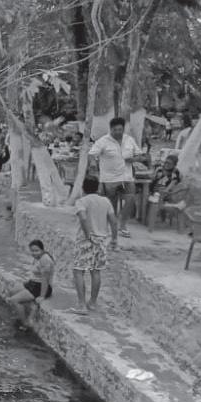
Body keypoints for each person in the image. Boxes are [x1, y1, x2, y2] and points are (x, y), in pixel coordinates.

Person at [89, 116, 141, 236]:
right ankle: (109, 226)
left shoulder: (129, 140)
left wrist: (134, 159)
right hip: (109, 179)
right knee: (110, 204)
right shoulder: (103, 141)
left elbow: (139, 154)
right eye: (115, 130)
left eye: (120, 130)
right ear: (111, 129)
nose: (118, 132)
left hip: (127, 177)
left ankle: (122, 225)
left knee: (130, 200)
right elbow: (91, 154)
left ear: (123, 129)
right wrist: (92, 163)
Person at [72, 175, 117, 313]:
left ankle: (81, 305)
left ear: (83, 188)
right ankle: (92, 302)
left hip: (85, 240)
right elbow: (113, 221)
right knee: (95, 271)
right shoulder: (106, 201)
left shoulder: (81, 201)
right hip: (101, 240)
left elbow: (83, 218)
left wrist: (88, 235)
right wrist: (114, 239)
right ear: (98, 188)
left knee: (78, 271)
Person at [8, 239, 55, 320]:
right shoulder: (38, 257)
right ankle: (23, 312)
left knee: (14, 300)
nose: (34, 253)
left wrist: (42, 296)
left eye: (36, 250)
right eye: (32, 251)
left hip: (40, 287)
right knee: (12, 291)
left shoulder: (45, 260)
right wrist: (28, 281)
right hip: (33, 283)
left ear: (42, 250)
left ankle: (24, 322)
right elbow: (36, 274)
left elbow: (45, 280)